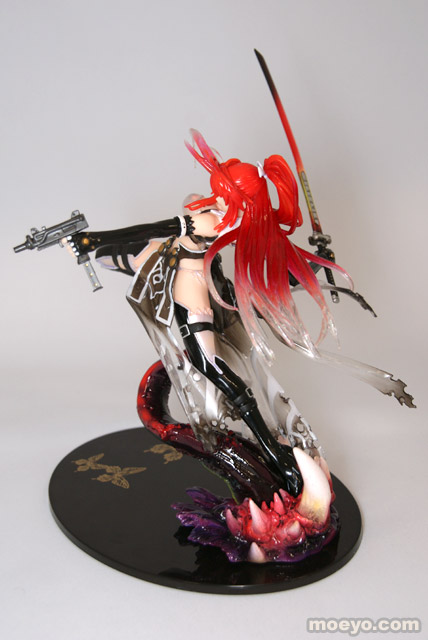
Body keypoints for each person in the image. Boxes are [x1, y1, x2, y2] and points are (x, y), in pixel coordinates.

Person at [69, 129, 414, 495]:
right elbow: (159, 232)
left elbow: (269, 275)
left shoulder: (218, 221)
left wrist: (96, 238)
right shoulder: (225, 214)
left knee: (214, 368)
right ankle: (267, 442)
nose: (214, 197)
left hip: (194, 289)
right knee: (113, 259)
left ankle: (273, 451)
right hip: (160, 261)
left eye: (221, 192)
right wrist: (97, 243)